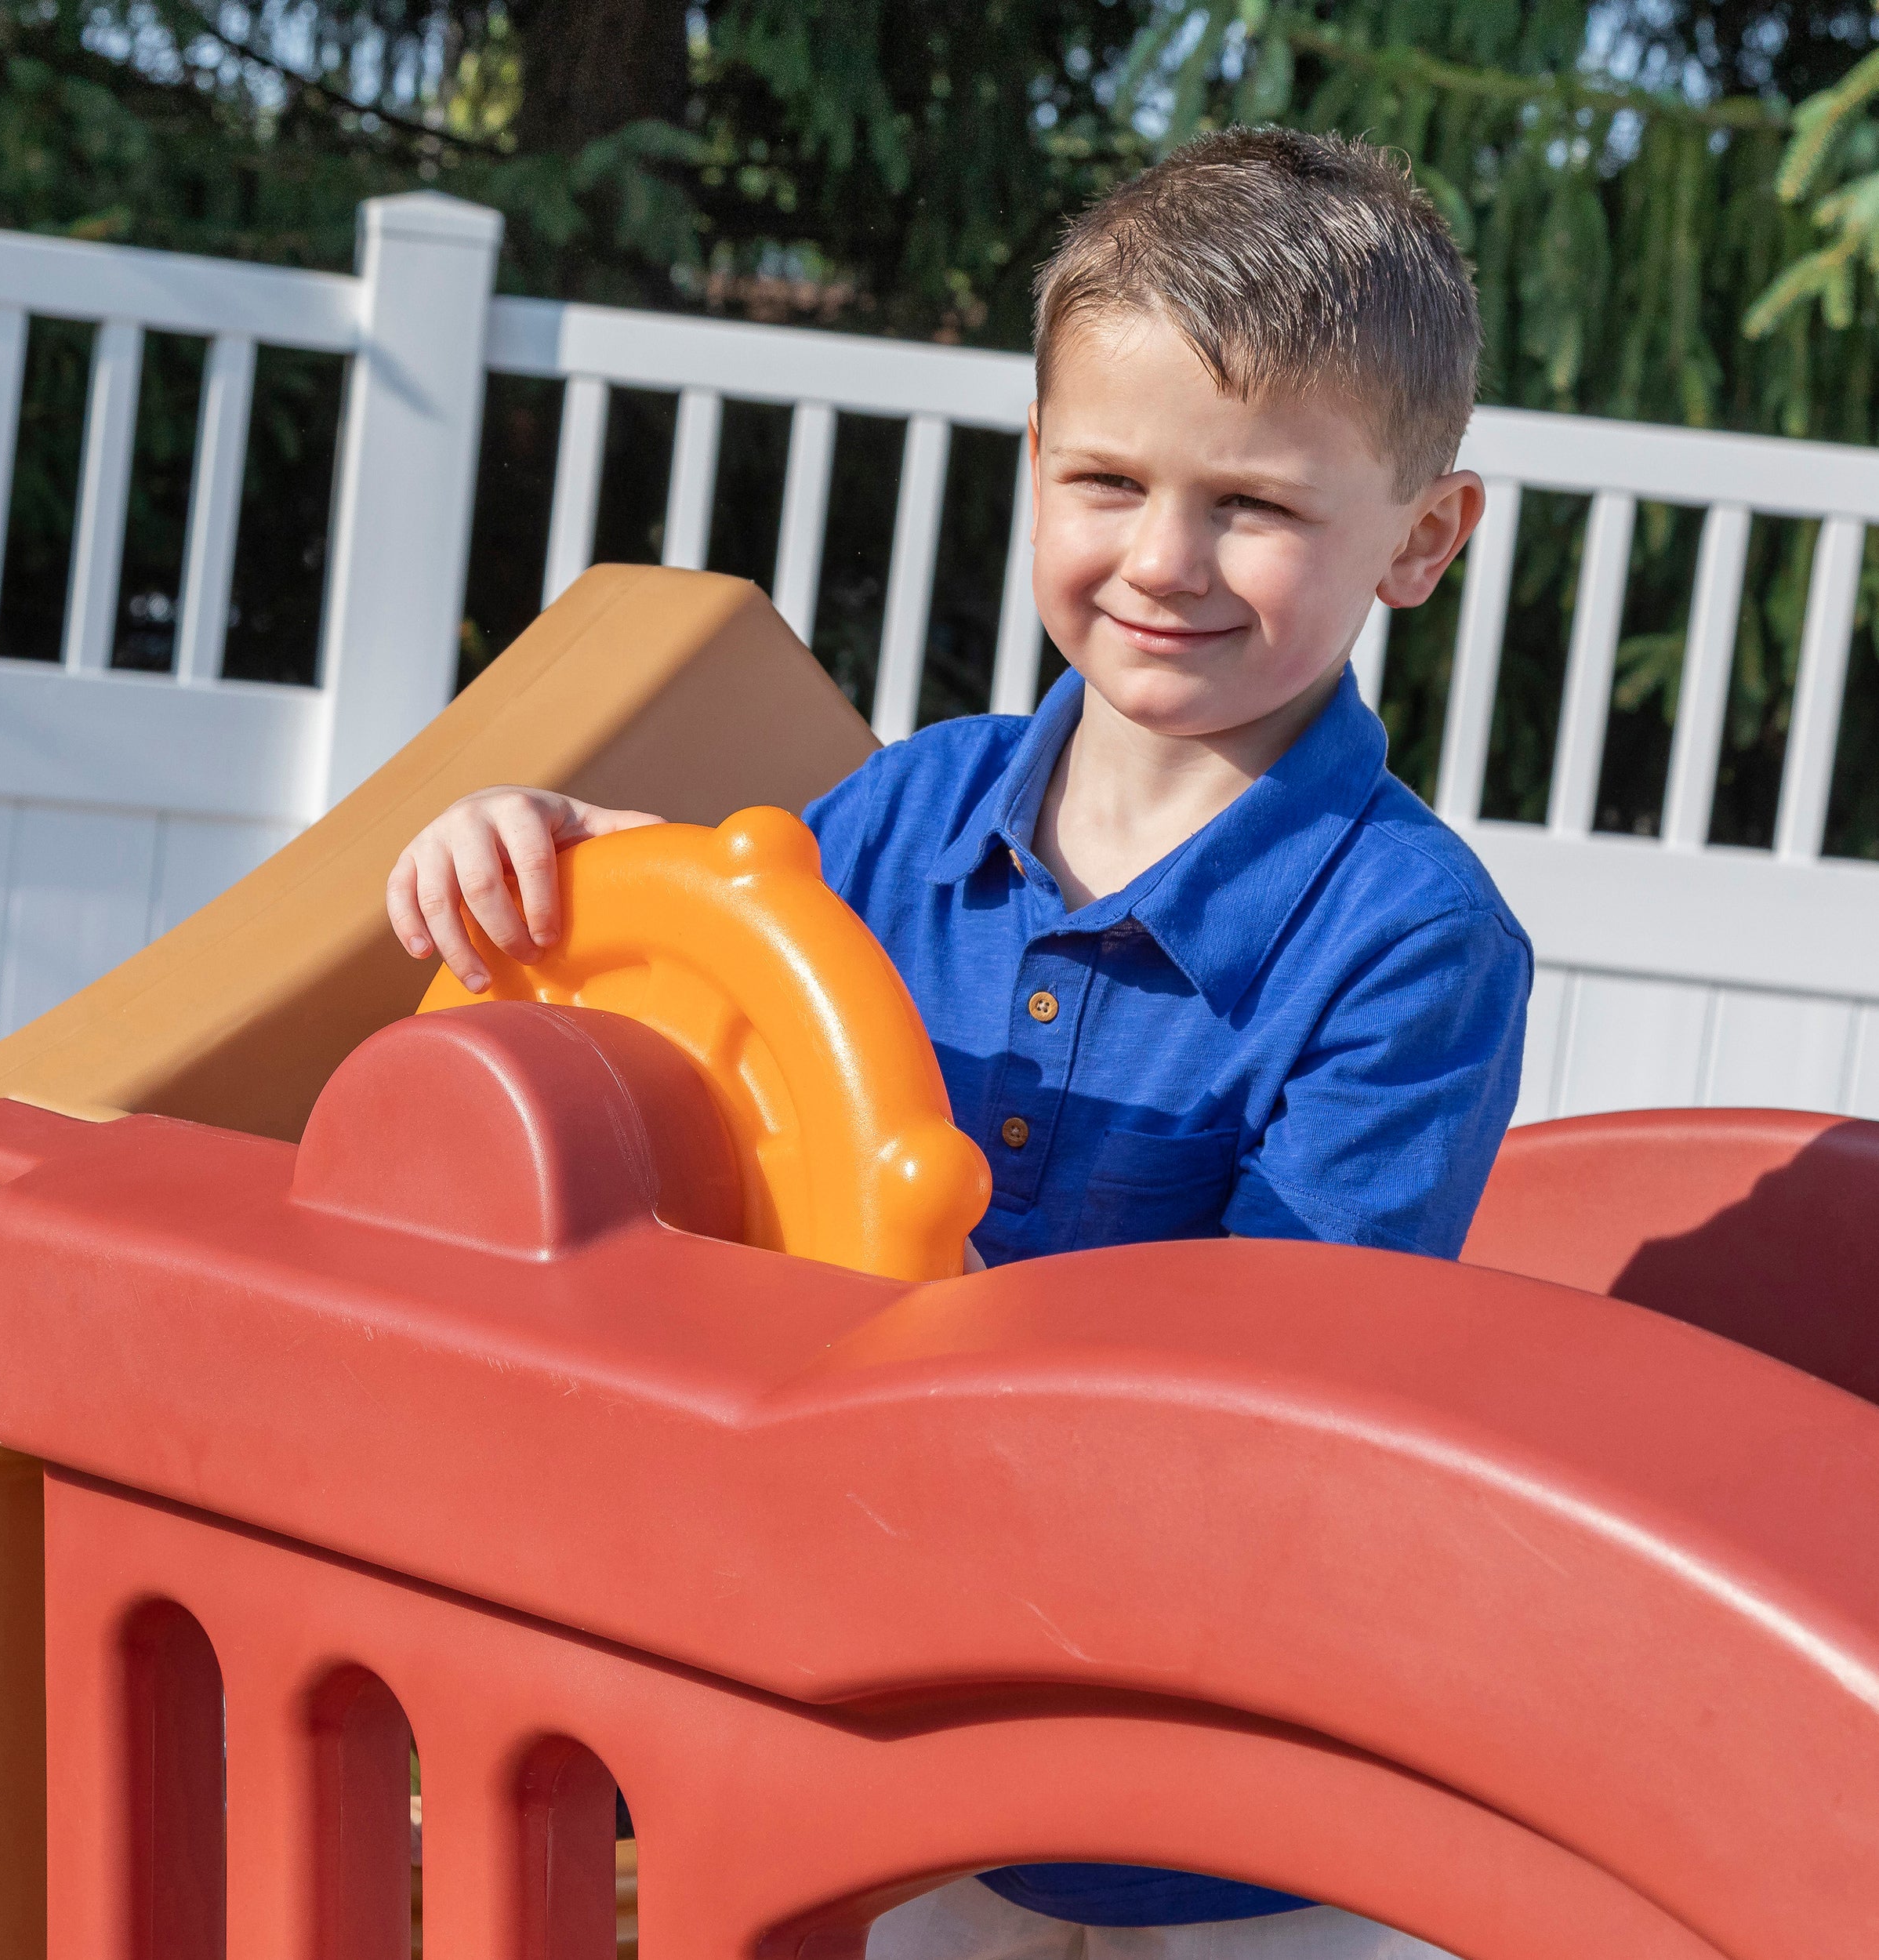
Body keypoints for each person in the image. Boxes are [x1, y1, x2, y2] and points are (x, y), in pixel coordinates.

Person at [386, 126, 1529, 1960]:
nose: (1162, 560)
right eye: (1103, 479)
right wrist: (541, 845)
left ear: (1417, 537)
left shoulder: (1409, 942)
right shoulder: (903, 811)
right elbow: (707, 971)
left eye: (1252, 504)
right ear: (1031, 472)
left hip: (1233, 1788)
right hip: (892, 1710)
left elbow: (1294, 1375)